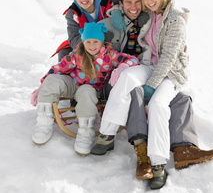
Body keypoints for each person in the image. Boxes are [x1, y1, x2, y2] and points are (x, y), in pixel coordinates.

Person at [90, 0, 213, 189]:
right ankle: (107, 134)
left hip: (170, 73)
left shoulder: (175, 18)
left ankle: (158, 164)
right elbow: (121, 0)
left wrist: (152, 85)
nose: (148, 1)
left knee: (158, 105)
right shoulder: (150, 13)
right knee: (127, 78)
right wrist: (115, 11)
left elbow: (168, 58)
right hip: (149, 64)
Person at [31, 22, 139, 156]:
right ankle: (43, 122)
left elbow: (133, 60)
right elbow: (58, 68)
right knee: (52, 80)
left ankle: (85, 131)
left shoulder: (109, 56)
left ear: (102, 42)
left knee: (87, 91)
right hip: (72, 84)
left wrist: (122, 67)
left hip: (89, 89)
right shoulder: (77, 54)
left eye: (95, 42)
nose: (92, 46)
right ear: (83, 42)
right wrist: (42, 86)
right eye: (88, 42)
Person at [51, 0, 120, 61]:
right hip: (87, 44)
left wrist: (116, 9)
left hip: (110, 41)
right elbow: (73, 38)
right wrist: (92, 43)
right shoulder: (73, 13)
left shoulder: (106, 0)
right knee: (64, 52)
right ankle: (65, 72)